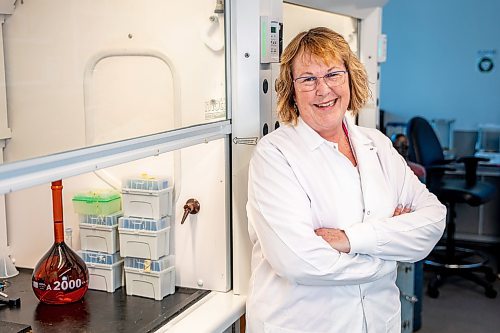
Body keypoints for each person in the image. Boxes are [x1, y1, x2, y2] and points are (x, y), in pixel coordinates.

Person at [246, 27, 446, 333]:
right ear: (292, 91)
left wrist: (350, 240)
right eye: (308, 79)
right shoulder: (275, 156)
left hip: (380, 321)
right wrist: (388, 253)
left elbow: (433, 220)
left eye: (333, 74)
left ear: (350, 79)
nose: (323, 90)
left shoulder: (376, 144)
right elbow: (298, 261)